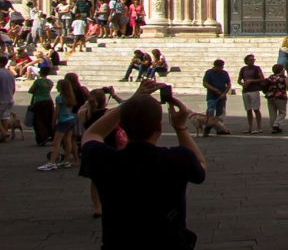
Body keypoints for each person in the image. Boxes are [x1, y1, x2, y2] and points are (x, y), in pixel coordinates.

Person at [81, 82, 206, 250]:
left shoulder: (105, 159)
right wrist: (180, 128)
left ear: (122, 127)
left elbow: (92, 133)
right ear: (159, 127)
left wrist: (131, 101)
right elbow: (200, 168)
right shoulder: (177, 158)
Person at [29, 64, 57, 148]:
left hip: (39, 101)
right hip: (48, 100)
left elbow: (31, 91)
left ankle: (42, 137)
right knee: (49, 118)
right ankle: (51, 134)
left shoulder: (38, 82)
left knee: (39, 120)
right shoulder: (50, 82)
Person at [238, 54, 266, 133]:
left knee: (256, 109)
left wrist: (251, 81)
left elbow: (261, 79)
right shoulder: (243, 69)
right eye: (250, 59)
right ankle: (250, 127)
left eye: (253, 59)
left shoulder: (257, 69)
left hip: (254, 90)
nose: (252, 61)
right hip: (245, 90)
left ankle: (258, 127)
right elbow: (239, 80)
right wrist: (243, 84)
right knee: (248, 109)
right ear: (246, 61)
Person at [265, 60, 288, 136]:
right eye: (283, 69)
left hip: (270, 96)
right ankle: (276, 124)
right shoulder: (283, 77)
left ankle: (273, 127)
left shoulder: (271, 77)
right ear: (280, 70)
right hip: (280, 96)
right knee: (282, 112)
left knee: (272, 112)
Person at [202, 59, 232, 125]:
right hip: (212, 96)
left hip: (222, 96)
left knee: (220, 113)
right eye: (220, 67)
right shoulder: (209, 73)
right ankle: (208, 127)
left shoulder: (224, 73)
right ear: (216, 66)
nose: (221, 69)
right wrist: (214, 90)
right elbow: (205, 83)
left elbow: (228, 84)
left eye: (222, 67)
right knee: (210, 113)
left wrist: (224, 93)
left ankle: (219, 128)